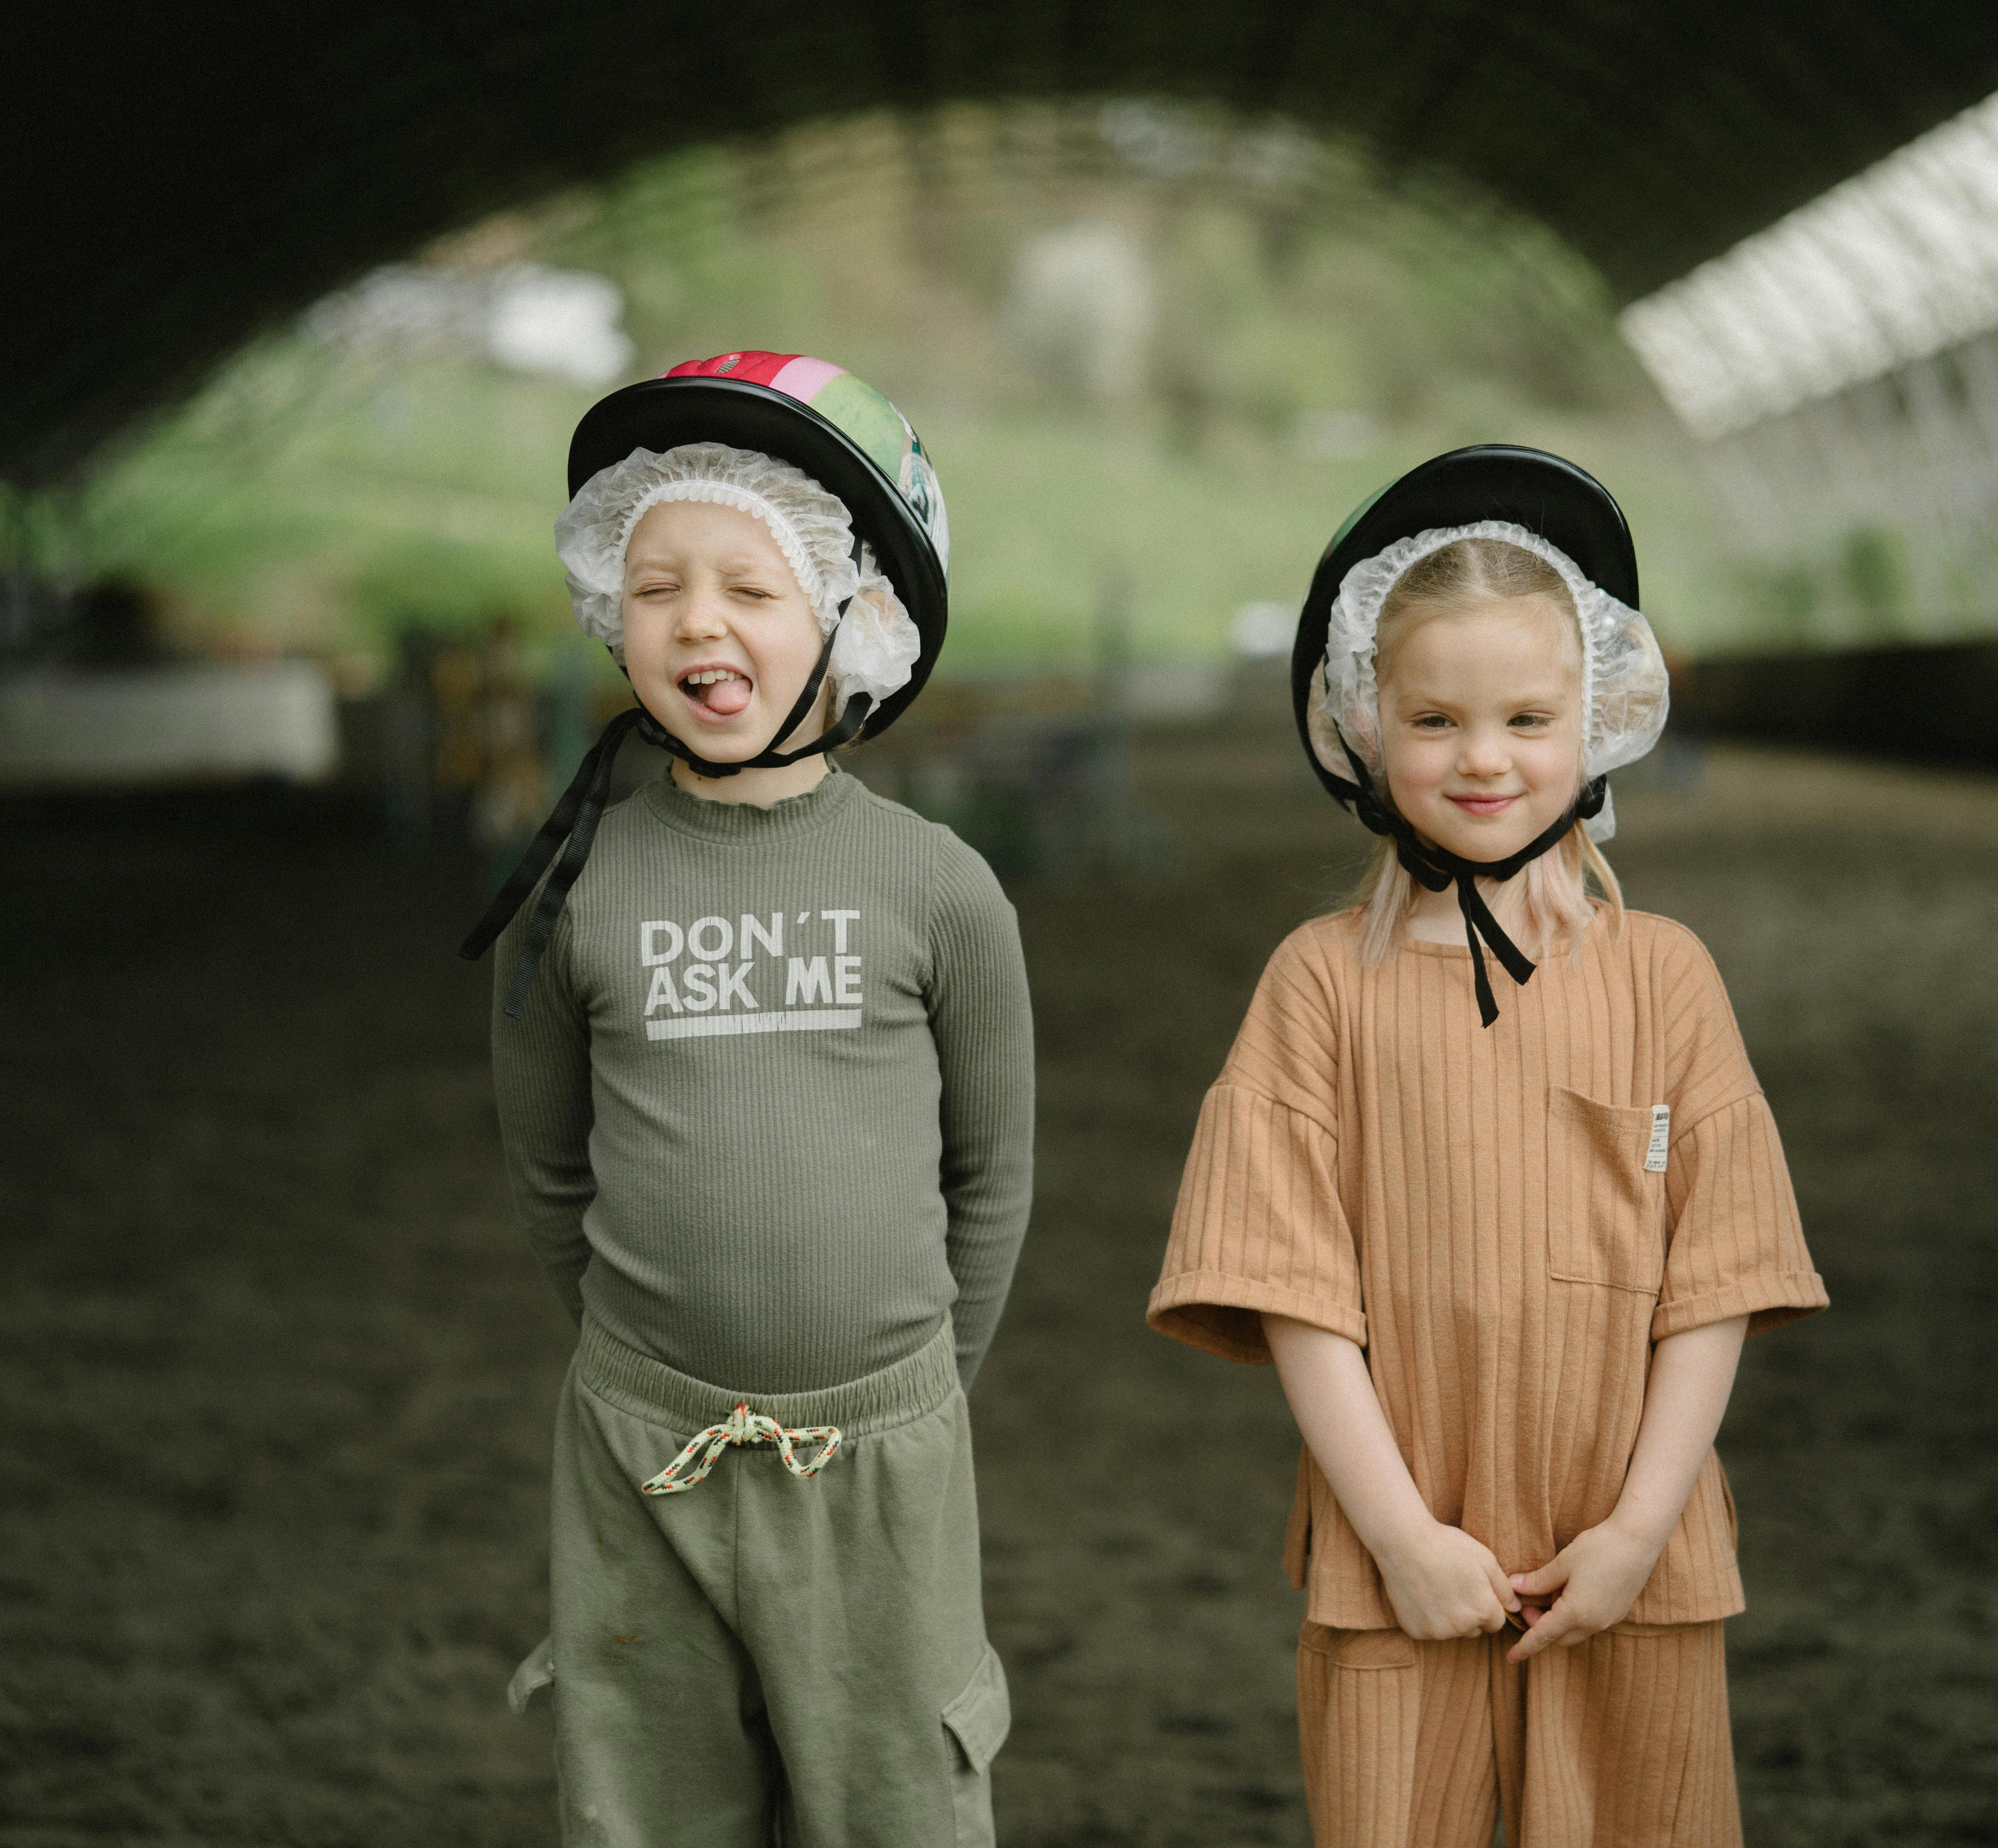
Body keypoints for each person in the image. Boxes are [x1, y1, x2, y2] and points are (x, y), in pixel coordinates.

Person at [1146, 447, 1828, 1846]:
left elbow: (1720, 1279)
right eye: (1436, 718)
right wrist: (1399, 1535)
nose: (1484, 757)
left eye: (1529, 716)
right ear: (1362, 726)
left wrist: (1640, 1532)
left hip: (1634, 1558)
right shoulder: (1317, 984)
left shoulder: (1667, 978)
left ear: (1602, 721)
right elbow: (1290, 1290)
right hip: (1397, 1557)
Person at [460, 351, 1032, 1848]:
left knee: (900, 1801)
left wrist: (906, 1391)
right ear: (611, 612)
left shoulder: (938, 891)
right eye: (655, 587)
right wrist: (654, 1351)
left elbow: (994, 1177)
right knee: (649, 1805)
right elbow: (549, 1174)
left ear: (858, 619)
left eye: (750, 587)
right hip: (640, 1453)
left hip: (885, 1460)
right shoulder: (571, 892)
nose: (697, 620)